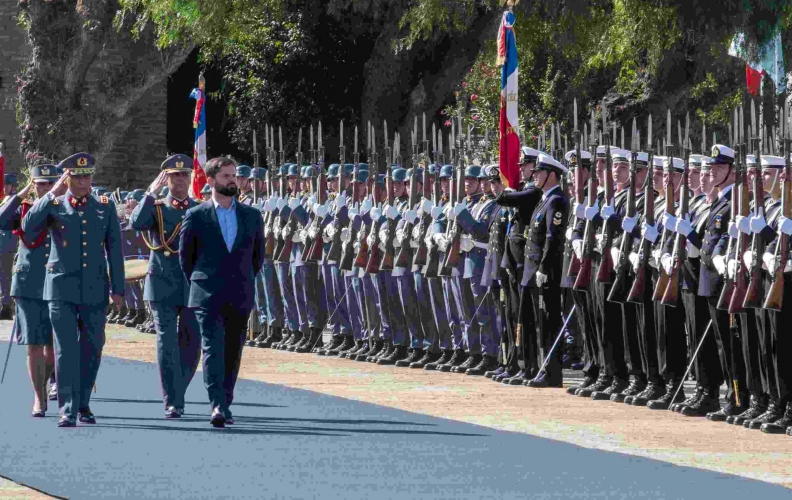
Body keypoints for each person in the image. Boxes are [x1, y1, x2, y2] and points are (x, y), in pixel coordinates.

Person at [22, 153, 125, 428]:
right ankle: (67, 408)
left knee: (92, 348)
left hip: (94, 287)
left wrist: (118, 289)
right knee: (65, 349)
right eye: (77, 176)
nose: (83, 182)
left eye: (87, 176)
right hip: (60, 288)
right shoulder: (54, 205)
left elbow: (115, 250)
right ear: (67, 178)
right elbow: (28, 226)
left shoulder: (104, 206)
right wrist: (51, 193)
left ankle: (83, 404)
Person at [179, 156, 264, 428]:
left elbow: (257, 257)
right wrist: (203, 280)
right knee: (212, 348)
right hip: (207, 293)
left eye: (234, 175)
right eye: (226, 176)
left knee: (232, 350)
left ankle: (226, 401)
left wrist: (242, 278)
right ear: (212, 180)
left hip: (239, 291)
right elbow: (186, 259)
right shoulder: (196, 215)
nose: (232, 180)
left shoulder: (252, 216)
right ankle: (216, 403)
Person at [130, 154, 202, 419]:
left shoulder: (199, 209)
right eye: (175, 176)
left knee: (192, 342)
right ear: (167, 179)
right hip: (162, 283)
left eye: (184, 175)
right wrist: (150, 193)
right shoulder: (157, 208)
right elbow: (136, 223)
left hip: (192, 285)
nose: (180, 180)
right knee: (166, 340)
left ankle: (178, 391)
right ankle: (173, 399)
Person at [0, 164, 64, 417]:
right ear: (34, 186)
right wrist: (22, 192)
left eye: (50, 183)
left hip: (59, 282)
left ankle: (52, 382)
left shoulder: (66, 209)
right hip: (29, 283)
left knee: (53, 343)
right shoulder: (23, 208)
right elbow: (2, 219)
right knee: (34, 343)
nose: (46, 188)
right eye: (40, 184)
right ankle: (38, 397)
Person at [0, 173, 20, 319]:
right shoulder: (5, 199)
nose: (3, 187)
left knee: (5, 274)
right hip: (3, 238)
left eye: (6, 184)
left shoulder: (15, 199)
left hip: (8, 240)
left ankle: (6, 306)